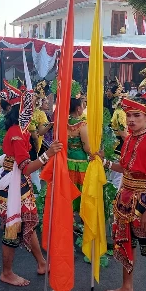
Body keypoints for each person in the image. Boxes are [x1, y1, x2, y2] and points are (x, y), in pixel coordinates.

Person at [0, 81, 62, 286]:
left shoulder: (20, 131)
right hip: (15, 185)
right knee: (13, 227)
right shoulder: (16, 133)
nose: (33, 110)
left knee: (26, 223)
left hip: (20, 184)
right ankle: (7, 272)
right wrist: (48, 155)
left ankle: (41, 262)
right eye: (29, 107)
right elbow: (26, 167)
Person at [101, 89, 146, 291]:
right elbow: (124, 167)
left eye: (136, 116)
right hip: (125, 198)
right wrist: (104, 162)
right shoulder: (129, 140)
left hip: (145, 201)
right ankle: (127, 287)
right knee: (126, 243)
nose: (131, 119)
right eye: (128, 115)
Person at [67, 81, 91, 212]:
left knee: (68, 190)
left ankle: (69, 220)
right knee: (81, 191)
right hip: (80, 163)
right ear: (78, 108)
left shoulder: (63, 122)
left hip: (67, 161)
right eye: (83, 105)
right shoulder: (82, 125)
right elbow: (87, 148)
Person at [28, 80, 52, 192]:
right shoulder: (40, 114)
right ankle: (36, 193)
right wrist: (49, 126)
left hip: (23, 143)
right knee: (33, 170)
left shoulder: (27, 111)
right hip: (33, 144)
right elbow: (40, 132)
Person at [109, 78, 129, 188]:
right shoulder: (120, 113)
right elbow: (123, 134)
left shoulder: (118, 111)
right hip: (119, 146)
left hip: (115, 145)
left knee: (113, 177)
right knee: (118, 178)